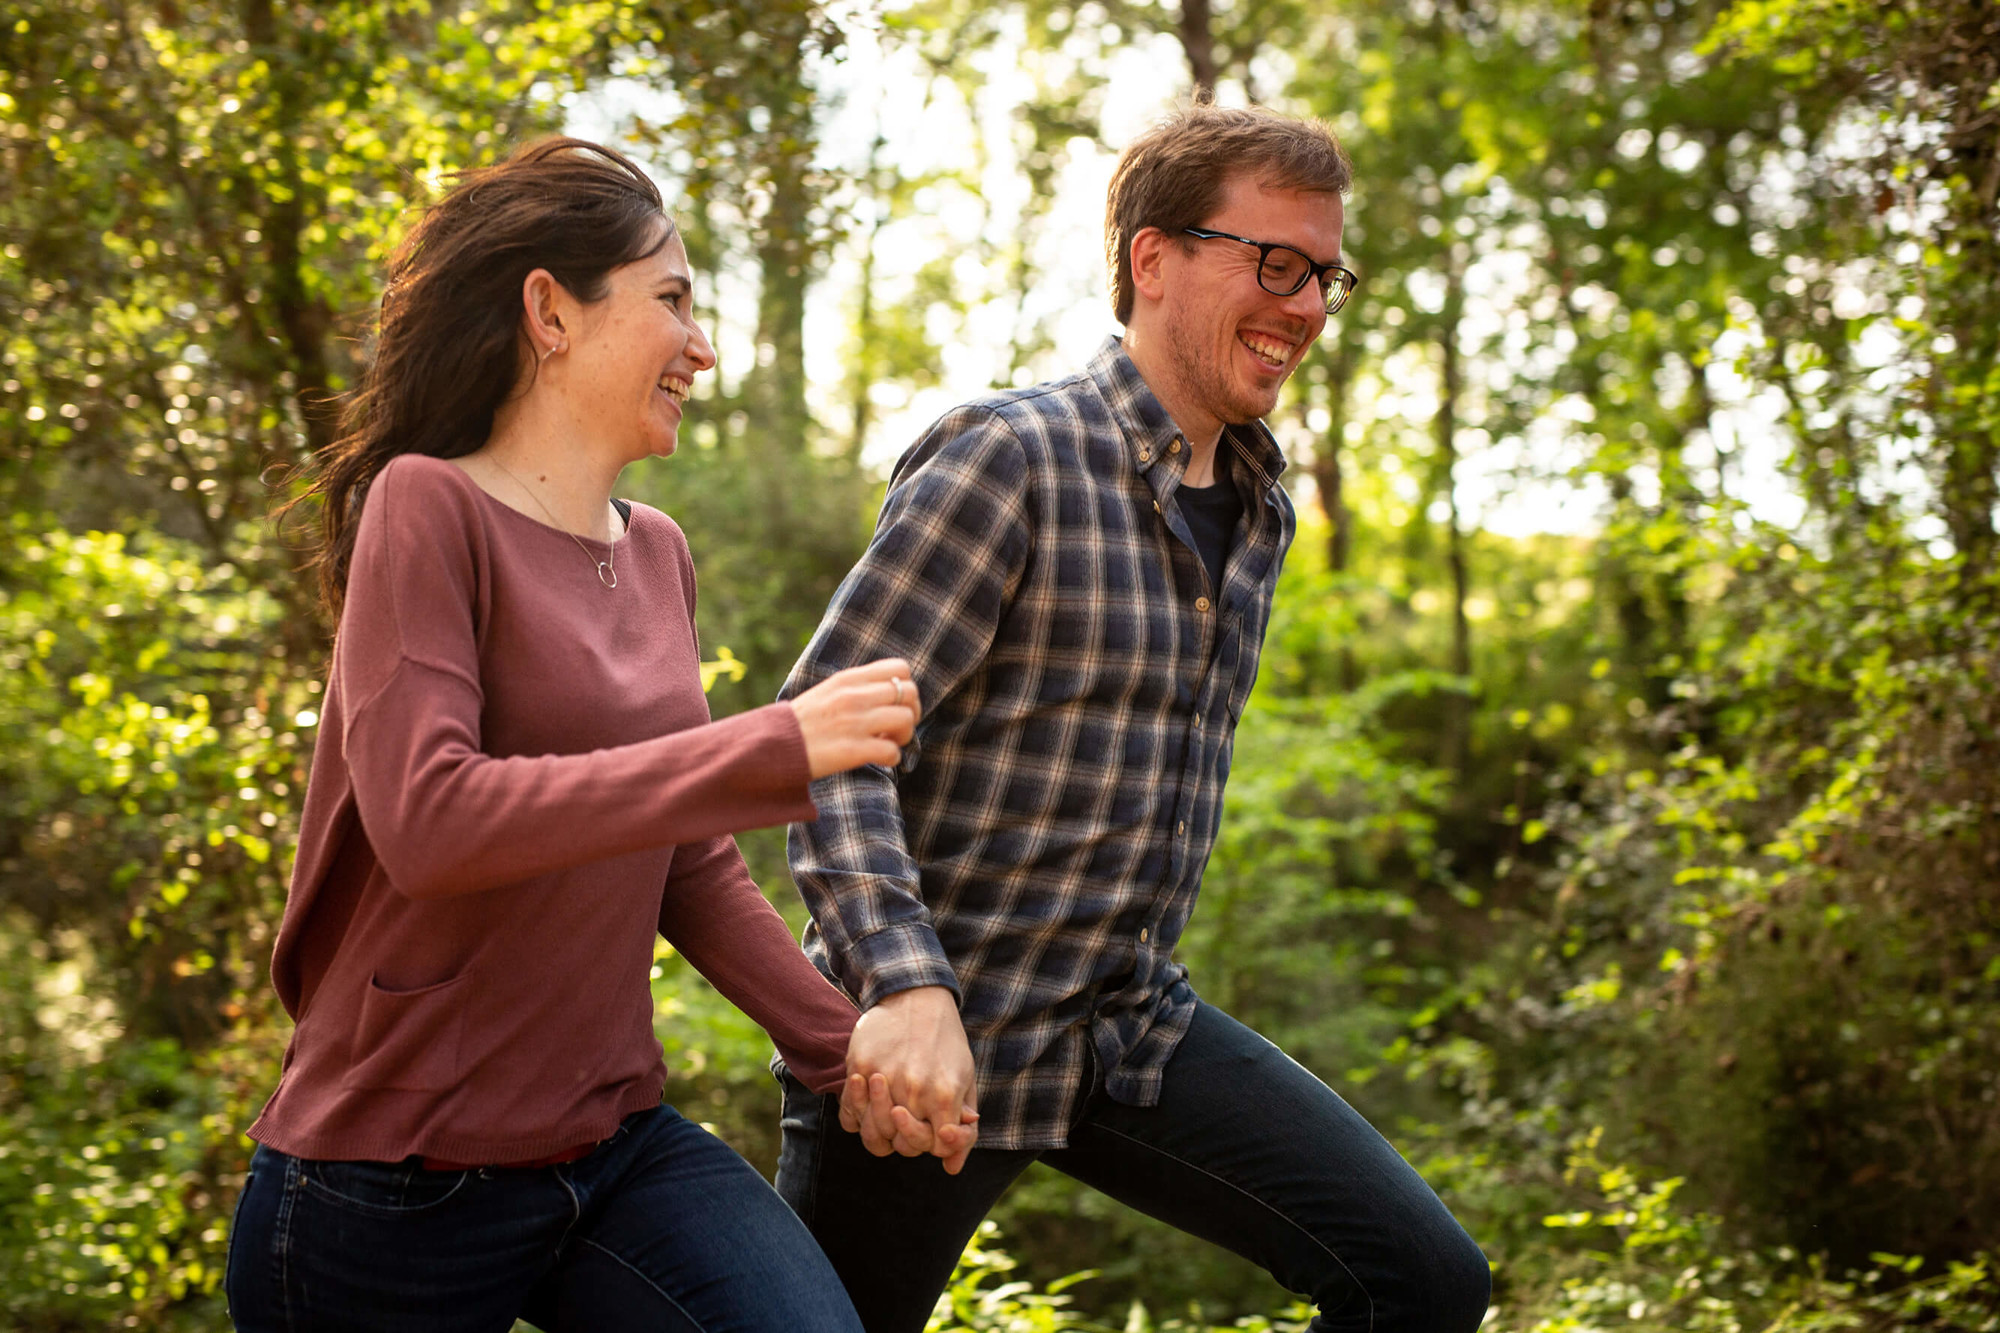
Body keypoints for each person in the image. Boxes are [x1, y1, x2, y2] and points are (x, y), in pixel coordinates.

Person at [774, 104, 1491, 1333]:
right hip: (927, 1046)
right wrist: (900, 984)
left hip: (1126, 1033)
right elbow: (817, 744)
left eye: (1325, 274)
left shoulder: (1261, 511)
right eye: (1274, 263)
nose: (1309, 305)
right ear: (1151, 260)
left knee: (1421, 1282)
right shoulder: (1010, 458)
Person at [224, 137, 922, 1333]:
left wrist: (840, 1043)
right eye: (671, 301)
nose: (701, 346)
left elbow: (684, 859)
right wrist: (767, 748)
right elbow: (431, 821)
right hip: (387, 1185)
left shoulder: (656, 551)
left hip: (609, 1148)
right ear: (550, 311)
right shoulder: (425, 507)